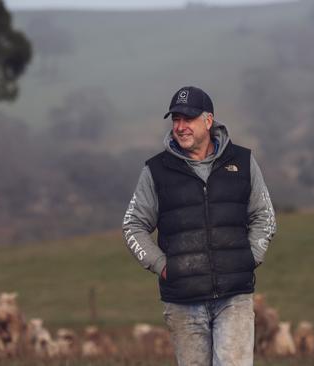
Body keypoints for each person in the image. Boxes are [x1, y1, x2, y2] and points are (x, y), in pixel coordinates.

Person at [122, 85, 276, 366]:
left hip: (234, 296)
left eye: (188, 119)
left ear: (208, 120)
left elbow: (264, 216)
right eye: (176, 120)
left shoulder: (242, 162)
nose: (180, 127)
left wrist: (251, 257)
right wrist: (161, 265)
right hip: (183, 300)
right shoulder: (155, 171)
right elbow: (132, 225)